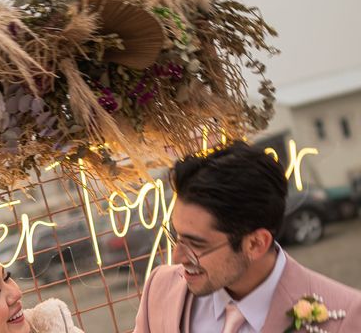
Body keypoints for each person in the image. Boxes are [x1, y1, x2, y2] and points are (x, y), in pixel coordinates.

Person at [133, 141, 361, 333]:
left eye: (196, 244)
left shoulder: (346, 316)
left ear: (256, 244)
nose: (177, 257)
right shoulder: (159, 288)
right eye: (176, 236)